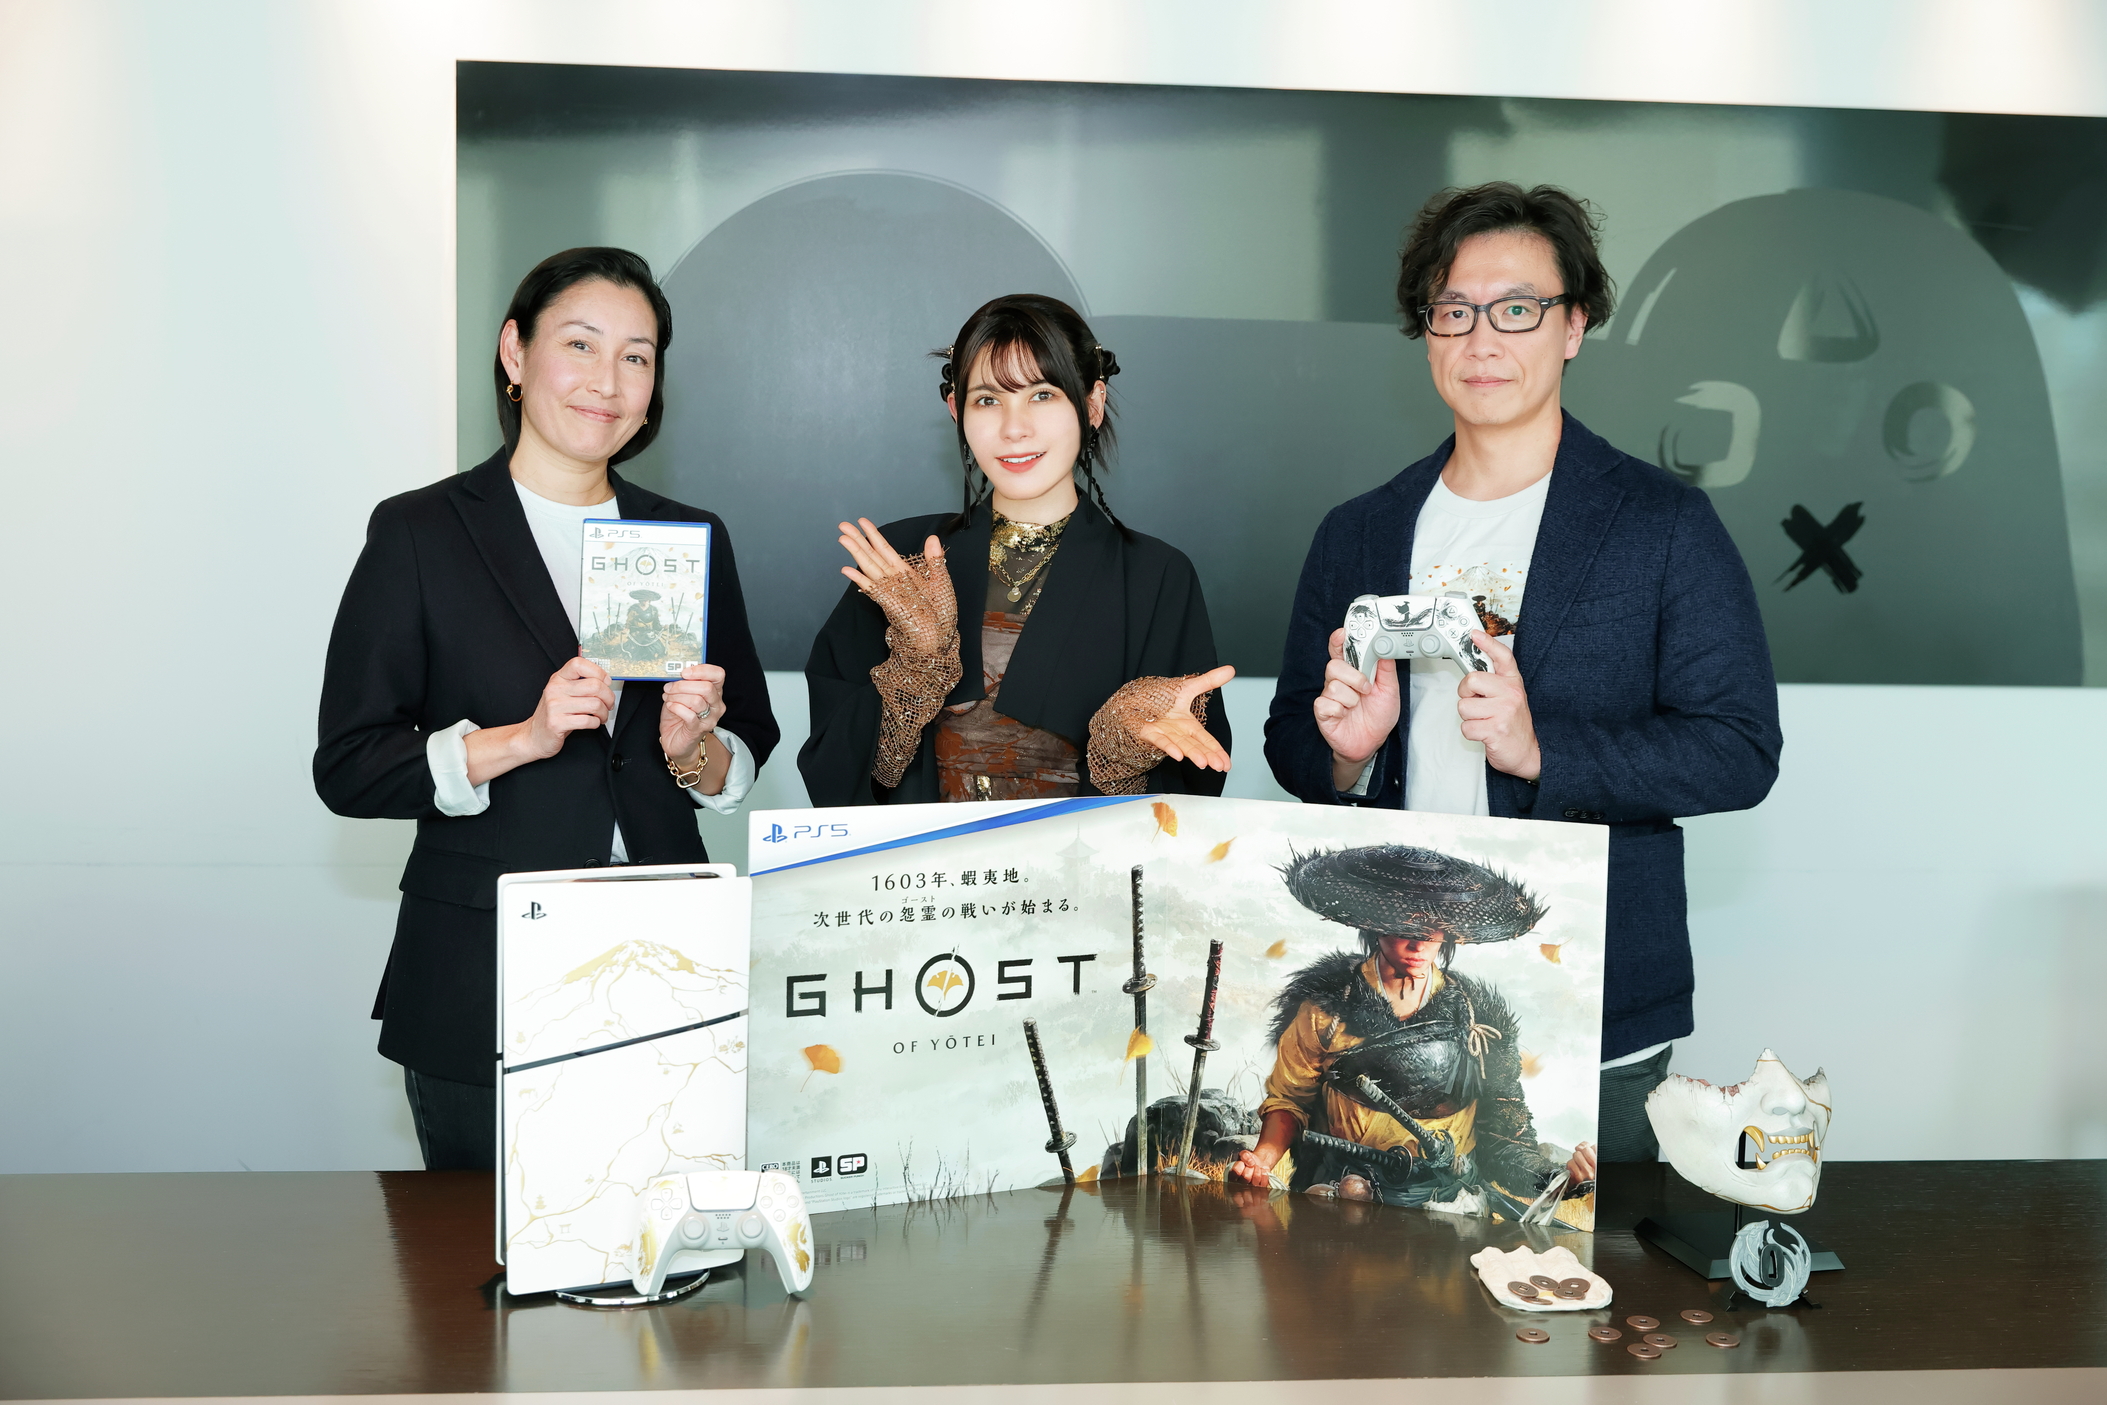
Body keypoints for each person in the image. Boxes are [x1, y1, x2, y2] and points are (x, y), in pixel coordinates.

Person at [1263, 184, 1782, 1162]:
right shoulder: (1360, 530)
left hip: (1594, 995)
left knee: (1590, 1255)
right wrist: (1344, 758)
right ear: (1425, 331)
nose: (1481, 339)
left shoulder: (1662, 524)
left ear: (1573, 325)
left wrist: (1543, 750)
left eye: (1516, 308)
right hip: (1393, 1023)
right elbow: (1292, 738)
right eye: (1453, 310)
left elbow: (1738, 749)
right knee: (1378, 1259)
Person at [315, 247, 779, 1170]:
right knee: (472, 1251)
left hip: (666, 962)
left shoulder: (687, 535)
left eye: (637, 356)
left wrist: (692, 747)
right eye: (580, 344)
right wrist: (519, 740)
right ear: (514, 353)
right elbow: (351, 764)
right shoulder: (420, 531)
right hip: (481, 965)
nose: (608, 381)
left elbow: (746, 740)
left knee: (657, 1237)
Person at [800, 294, 1233, 805]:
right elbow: (833, 771)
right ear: (956, 410)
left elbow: (1194, 780)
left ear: (1092, 404)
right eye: (987, 400)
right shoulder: (902, 560)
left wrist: (1124, 748)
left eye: (1042, 395)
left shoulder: (1155, 575)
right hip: (922, 856)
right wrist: (916, 668)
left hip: (1078, 856)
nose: (1013, 428)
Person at [1227, 846, 1592, 1212]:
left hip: (1449, 1200)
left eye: (1431, 927)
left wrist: (1561, 1177)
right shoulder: (1326, 1010)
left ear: (1449, 931)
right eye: (1404, 925)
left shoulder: (1480, 1022)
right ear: (1374, 924)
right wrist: (1262, 1159)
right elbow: (1290, 1101)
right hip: (1344, 1190)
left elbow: (1503, 1138)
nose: (1418, 942)